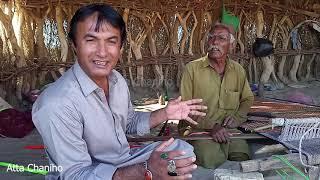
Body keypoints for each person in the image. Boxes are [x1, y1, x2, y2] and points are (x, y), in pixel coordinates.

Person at [32, 4, 207, 180]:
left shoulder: (117, 80)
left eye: (111, 41)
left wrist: (165, 113)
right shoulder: (57, 103)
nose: (102, 52)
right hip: (89, 173)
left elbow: (128, 122)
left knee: (181, 150)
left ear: (121, 47)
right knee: (164, 168)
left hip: (124, 161)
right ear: (75, 45)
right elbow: (75, 174)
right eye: (91, 40)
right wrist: (144, 171)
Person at [178, 23, 254, 169]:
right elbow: (184, 108)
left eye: (221, 38)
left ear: (231, 46)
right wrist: (212, 126)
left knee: (242, 154)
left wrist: (237, 118)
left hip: (228, 130)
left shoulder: (238, 70)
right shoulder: (192, 69)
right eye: (211, 38)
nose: (214, 42)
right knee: (209, 158)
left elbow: (247, 99)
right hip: (197, 128)